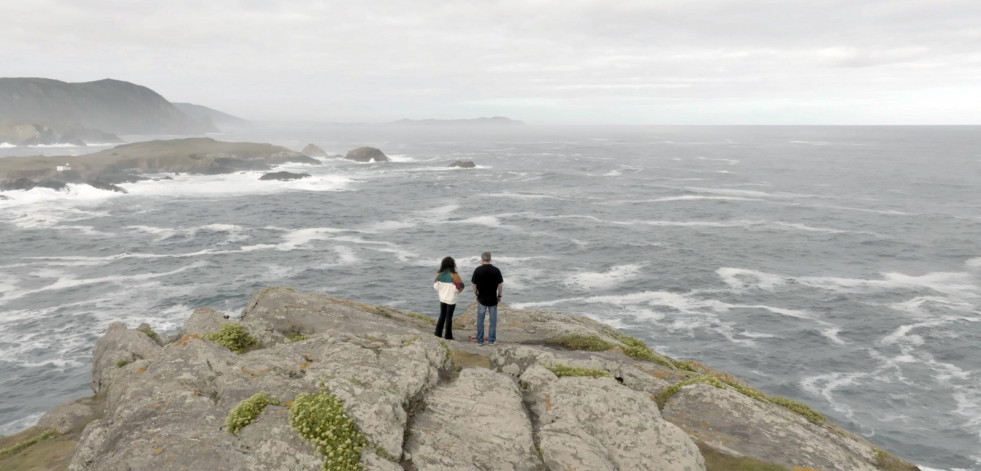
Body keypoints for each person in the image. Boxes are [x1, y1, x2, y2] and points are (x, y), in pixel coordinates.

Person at [471, 251, 503, 346]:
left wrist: (476, 295)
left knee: (480, 320)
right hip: (493, 298)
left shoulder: (478, 270)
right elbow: (500, 285)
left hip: (482, 298)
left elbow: (474, 285)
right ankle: (491, 340)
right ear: (490, 259)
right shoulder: (496, 270)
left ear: (482, 259)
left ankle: (480, 340)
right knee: (492, 320)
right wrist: (499, 295)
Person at [433, 256, 464, 340]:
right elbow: (461, 286)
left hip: (442, 298)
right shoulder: (454, 275)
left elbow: (435, 286)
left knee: (442, 315)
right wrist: (457, 291)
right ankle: (448, 336)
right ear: (453, 265)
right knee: (449, 317)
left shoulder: (438, 274)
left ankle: (438, 333)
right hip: (451, 299)